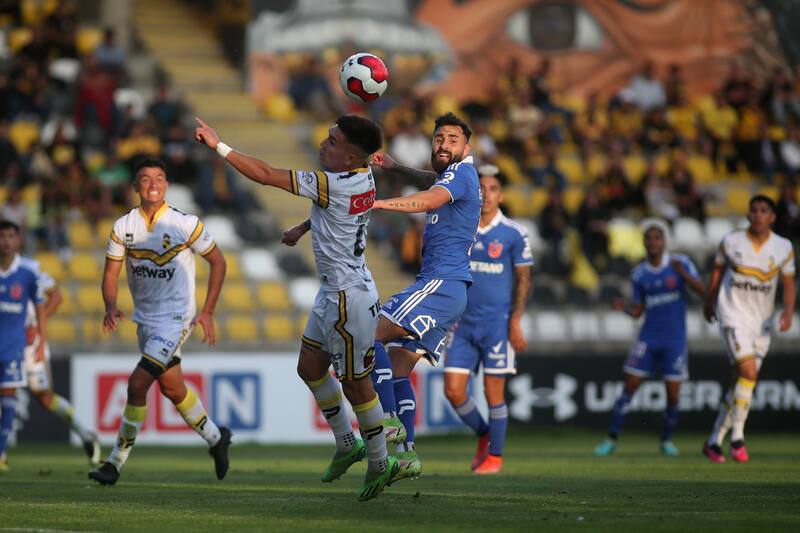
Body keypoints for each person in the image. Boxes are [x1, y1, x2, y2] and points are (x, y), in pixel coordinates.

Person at [194, 115, 398, 501]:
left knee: (356, 384)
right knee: (309, 366)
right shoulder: (363, 174)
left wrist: (219, 145)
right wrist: (304, 229)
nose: (323, 143)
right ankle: (346, 443)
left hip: (348, 297)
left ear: (351, 156)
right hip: (332, 293)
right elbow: (340, 209)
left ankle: (378, 459)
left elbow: (268, 174)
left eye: (332, 141)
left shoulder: (329, 182)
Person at [89, 158, 231, 485]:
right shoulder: (123, 226)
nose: (153, 183)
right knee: (172, 386)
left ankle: (114, 464)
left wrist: (207, 311)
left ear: (166, 185)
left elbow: (218, 262)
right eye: (145, 178)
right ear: (136, 186)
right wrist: (110, 305)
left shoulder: (185, 224)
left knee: (137, 384)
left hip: (176, 318)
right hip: (146, 320)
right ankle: (215, 437)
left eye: (159, 178)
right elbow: (110, 275)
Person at [369, 112, 482, 482]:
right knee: (399, 371)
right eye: (438, 138)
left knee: (368, 337)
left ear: (467, 147)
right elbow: (432, 180)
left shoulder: (463, 173)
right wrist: (396, 166)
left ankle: (387, 424)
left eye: (452, 139)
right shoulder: (454, 175)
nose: (443, 144)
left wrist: (382, 204)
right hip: (452, 292)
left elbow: (431, 198)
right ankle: (407, 455)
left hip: (439, 284)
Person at [442, 166, 533, 474]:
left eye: (493, 189)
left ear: (501, 195)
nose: (487, 195)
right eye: (482, 189)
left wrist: (515, 320)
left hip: (496, 325)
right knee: (453, 391)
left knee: (493, 393)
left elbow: (523, 280)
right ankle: (484, 435)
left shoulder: (514, 233)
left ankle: (495, 456)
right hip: (462, 323)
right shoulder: (461, 228)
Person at [594, 220, 704, 457]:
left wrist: (683, 274)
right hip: (648, 339)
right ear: (644, 242)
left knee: (673, 394)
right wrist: (623, 307)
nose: (653, 242)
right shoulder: (639, 273)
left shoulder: (681, 263)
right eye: (649, 238)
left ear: (664, 241)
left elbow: (703, 290)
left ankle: (666, 440)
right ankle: (611, 439)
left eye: (657, 238)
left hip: (675, 340)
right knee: (630, 386)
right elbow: (637, 311)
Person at [702, 195, 795, 463]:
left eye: (764, 211)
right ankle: (738, 438)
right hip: (733, 315)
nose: (758, 215)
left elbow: (788, 283)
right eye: (753, 210)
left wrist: (788, 312)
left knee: (740, 383)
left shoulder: (783, 247)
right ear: (747, 215)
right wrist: (710, 301)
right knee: (748, 372)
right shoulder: (731, 241)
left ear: (773, 217)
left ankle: (713, 441)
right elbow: (717, 272)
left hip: (761, 323)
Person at [24, 267, 100, 464]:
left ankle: (85, 435)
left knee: (44, 397)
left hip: (29, 342)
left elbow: (56, 296)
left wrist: (38, 325)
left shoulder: (29, 268)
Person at [0, 220, 46, 471]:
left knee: (8, 399)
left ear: (18, 240)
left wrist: (41, 343)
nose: (7, 241)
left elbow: (41, 308)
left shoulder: (28, 272)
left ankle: (1, 453)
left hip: (12, 349)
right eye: (2, 236)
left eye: (11, 236)